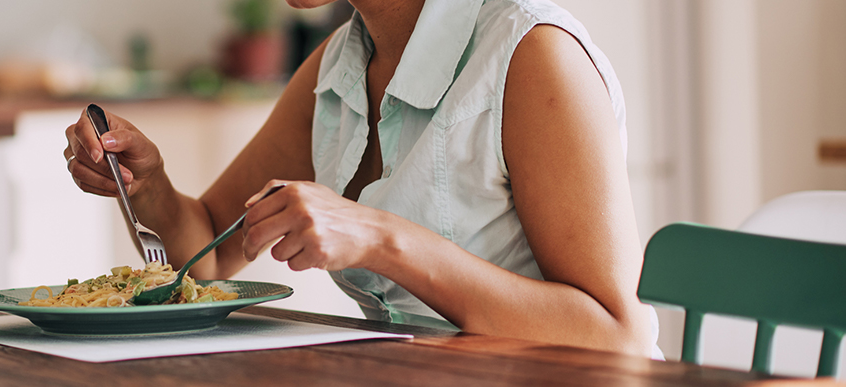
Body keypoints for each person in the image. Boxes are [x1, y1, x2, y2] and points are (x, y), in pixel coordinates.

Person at [63, 0, 662, 358]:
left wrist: (380, 237)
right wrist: (149, 184)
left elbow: (616, 336)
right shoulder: (338, 65)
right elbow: (212, 254)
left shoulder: (531, 55)